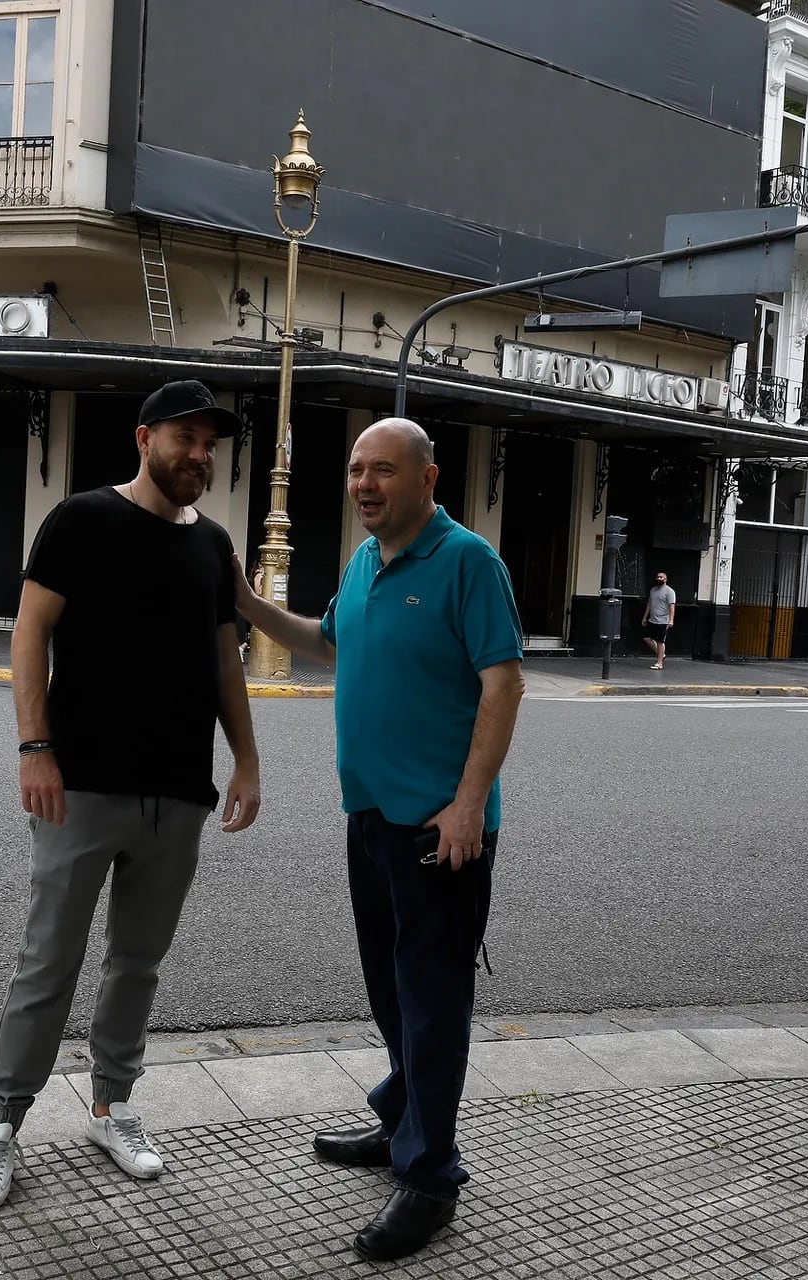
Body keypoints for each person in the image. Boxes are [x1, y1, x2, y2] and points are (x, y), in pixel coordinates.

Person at [0, 379, 261, 1212]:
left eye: (210, 444)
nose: (199, 455)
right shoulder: (81, 519)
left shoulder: (215, 547)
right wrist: (35, 748)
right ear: (144, 439)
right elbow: (30, 633)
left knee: (138, 961)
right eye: (185, 439)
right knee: (48, 958)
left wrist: (246, 761)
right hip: (82, 783)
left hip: (177, 791)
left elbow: (224, 664)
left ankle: (112, 1105)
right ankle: (1, 1123)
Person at [235, 417, 523, 1263]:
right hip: (370, 818)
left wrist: (470, 803)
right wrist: (250, 605)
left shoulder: (468, 561)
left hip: (442, 829)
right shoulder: (365, 563)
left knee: (432, 1004)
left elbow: (504, 682)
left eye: (384, 471)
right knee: (392, 995)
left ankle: (431, 1176)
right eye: (357, 470)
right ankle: (402, 1124)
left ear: (428, 479)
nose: (365, 484)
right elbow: (326, 642)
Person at [642, 571, 678, 670]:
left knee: (660, 641)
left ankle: (659, 663)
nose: (658, 578)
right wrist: (645, 617)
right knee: (646, 638)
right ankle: (661, 655)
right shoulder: (653, 590)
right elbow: (649, 604)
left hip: (663, 621)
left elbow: (672, 606)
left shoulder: (669, 591)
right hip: (652, 619)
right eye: (657, 577)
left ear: (665, 579)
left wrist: (671, 620)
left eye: (661, 577)